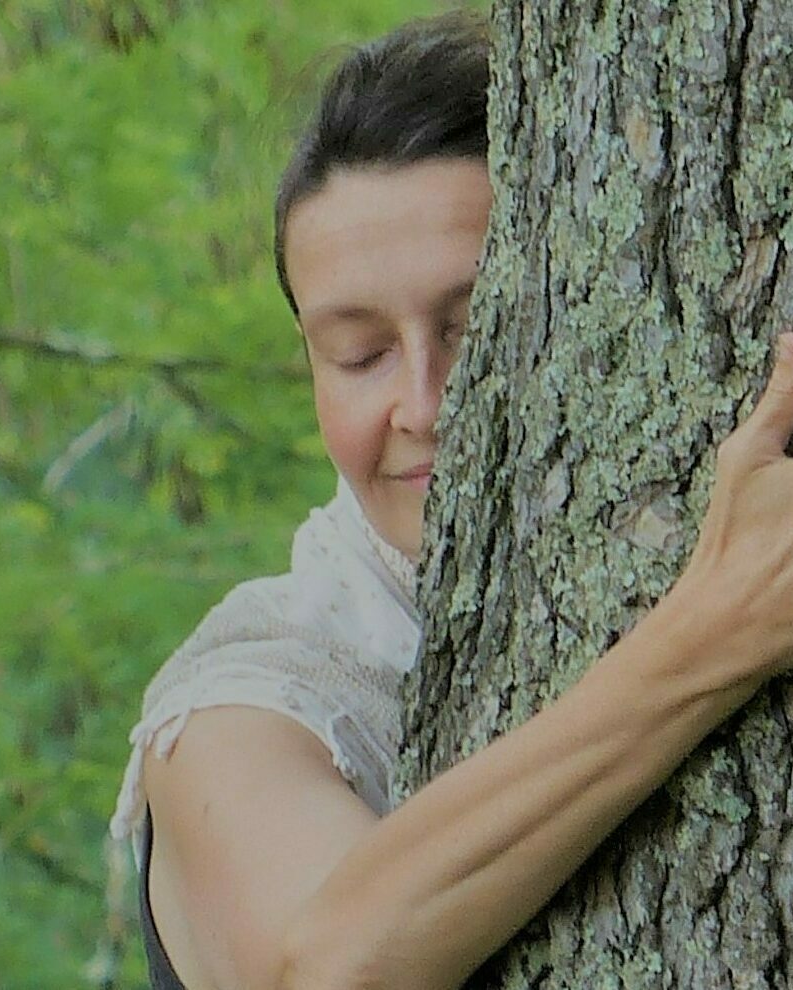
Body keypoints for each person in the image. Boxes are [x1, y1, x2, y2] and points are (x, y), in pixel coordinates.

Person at [111, 13, 793, 990]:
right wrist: (718, 633)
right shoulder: (249, 690)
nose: (427, 405)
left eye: (477, 324)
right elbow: (329, 969)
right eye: (361, 354)